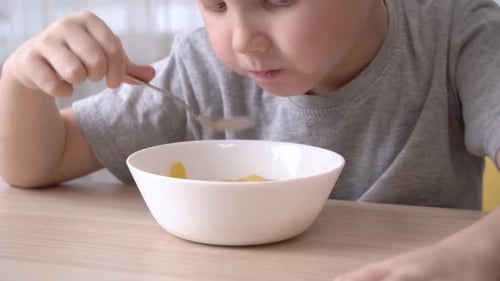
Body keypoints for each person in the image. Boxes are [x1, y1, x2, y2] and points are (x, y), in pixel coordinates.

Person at [0, 0, 499, 279]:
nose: (242, 42)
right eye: (216, 4)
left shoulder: (461, 34)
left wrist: (467, 259)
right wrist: (20, 81)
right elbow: (40, 162)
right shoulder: (203, 68)